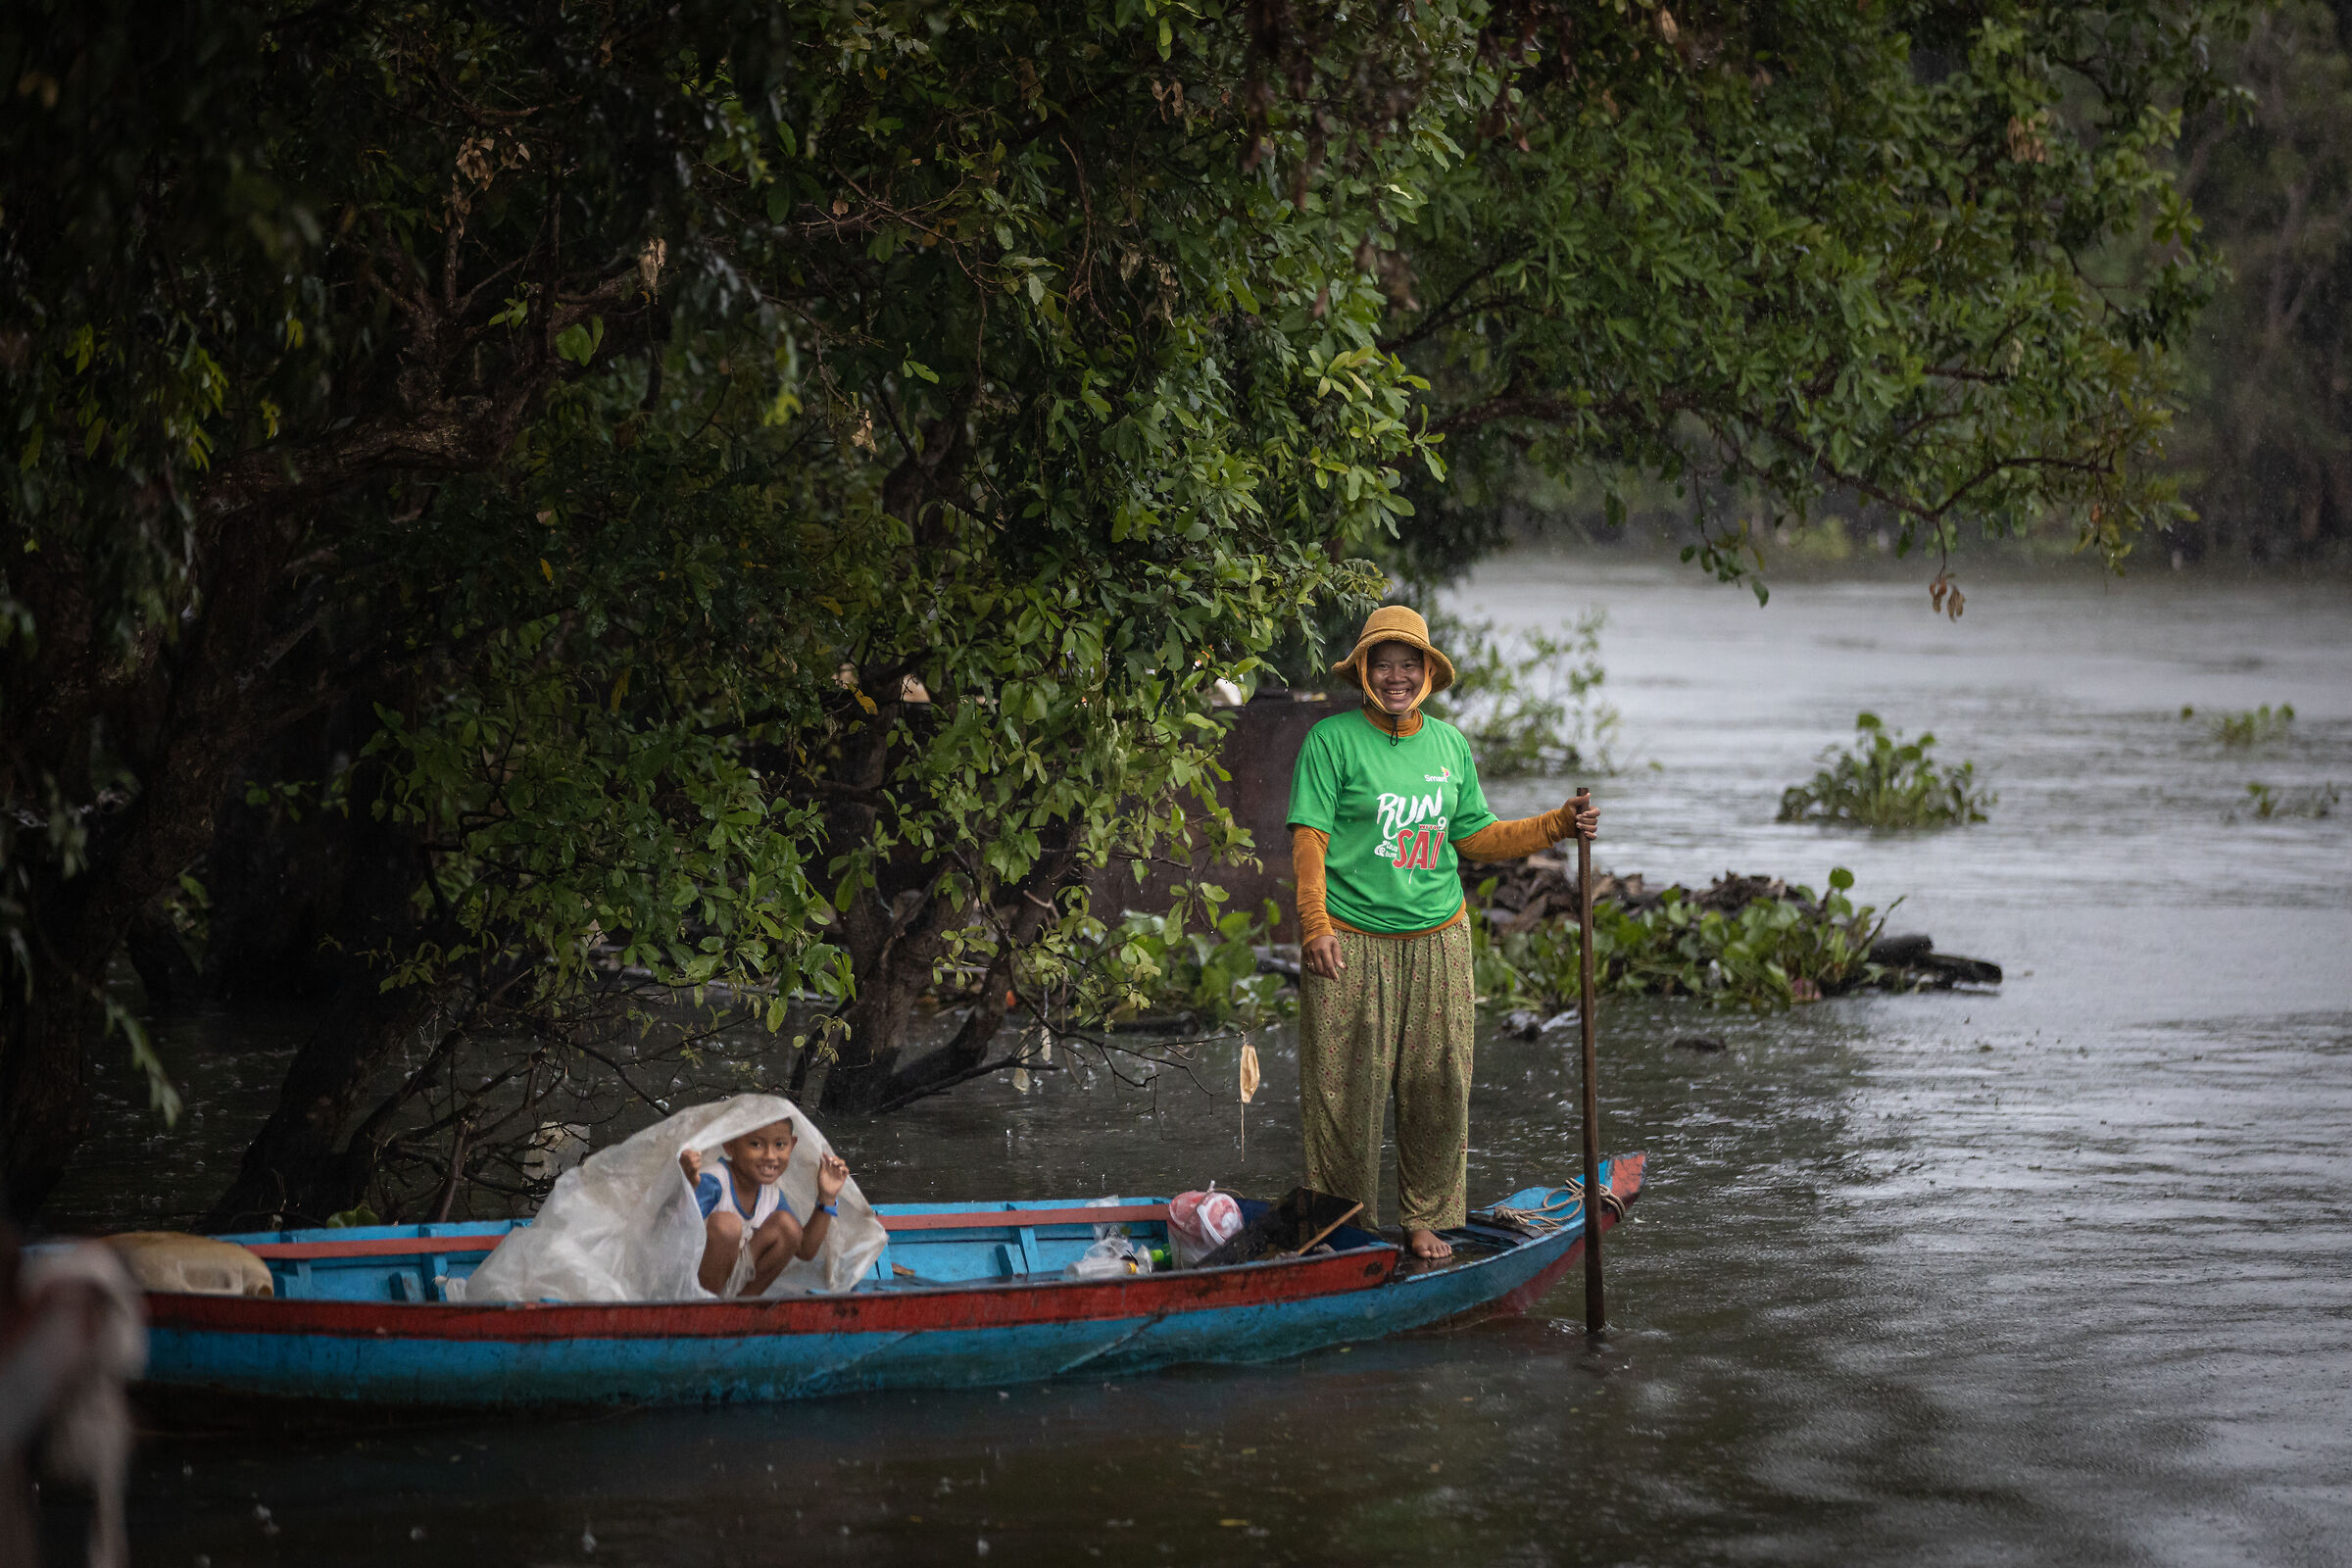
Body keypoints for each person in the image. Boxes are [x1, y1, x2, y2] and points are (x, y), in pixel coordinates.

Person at [1287, 605, 1598, 1261]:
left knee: (1438, 1084)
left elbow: (1477, 835)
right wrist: (1314, 925)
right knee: (1343, 1090)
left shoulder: (1449, 745)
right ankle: (1346, 1228)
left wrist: (1556, 826)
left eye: (1409, 665)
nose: (1396, 677)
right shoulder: (1332, 741)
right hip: (1351, 939)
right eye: (1383, 664)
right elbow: (1310, 840)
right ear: (1364, 672)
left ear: (1427, 673)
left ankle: (1423, 1219)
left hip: (1438, 939)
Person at [678, 1118, 850, 1298]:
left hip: (734, 1279)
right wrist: (690, 1187)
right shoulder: (714, 1181)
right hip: (692, 1281)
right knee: (727, 1225)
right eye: (756, 1144)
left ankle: (745, 1305)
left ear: (792, 1145)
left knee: (787, 1226)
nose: (770, 1155)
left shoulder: (770, 1193)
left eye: (780, 1145)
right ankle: (704, 1310)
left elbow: (804, 1250)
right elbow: (678, 1232)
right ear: (730, 1146)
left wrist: (827, 1197)